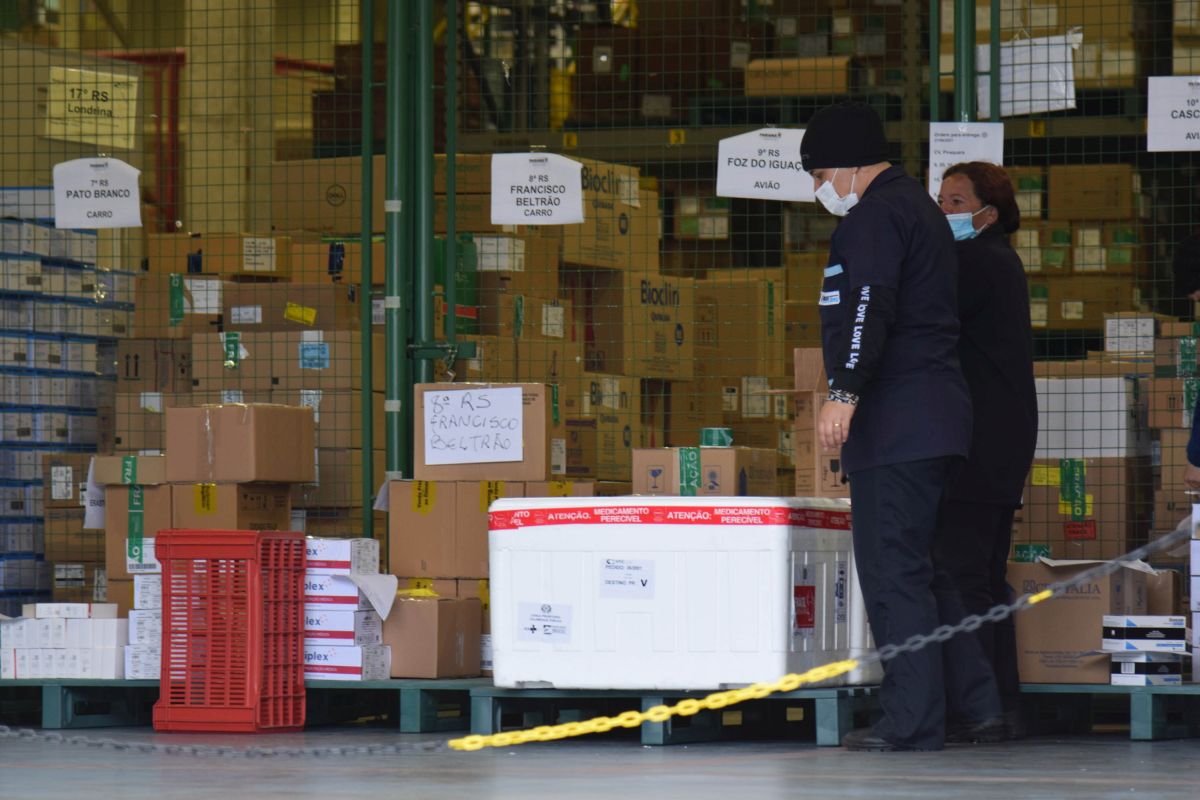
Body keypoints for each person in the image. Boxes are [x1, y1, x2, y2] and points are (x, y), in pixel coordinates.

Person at [799, 101, 1002, 752]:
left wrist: (844, 392)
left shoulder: (874, 217)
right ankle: (976, 707)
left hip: (898, 423)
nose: (819, 189)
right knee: (930, 570)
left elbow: (868, 305)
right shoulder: (918, 209)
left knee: (894, 573)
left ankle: (911, 720)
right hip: (938, 419)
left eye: (819, 175)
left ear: (848, 165)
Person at [935, 162, 1038, 739]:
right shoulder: (1002, 262)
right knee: (985, 576)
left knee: (961, 573)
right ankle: (1002, 701)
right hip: (1004, 441)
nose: (943, 211)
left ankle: (979, 708)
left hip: (977, 443)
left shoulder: (973, 263)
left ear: (988, 214)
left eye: (955, 202)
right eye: (940, 199)